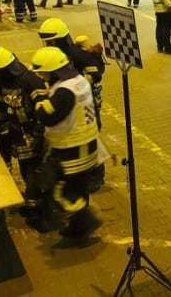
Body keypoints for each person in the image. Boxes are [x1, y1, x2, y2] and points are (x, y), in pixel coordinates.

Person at [32, 46, 103, 240]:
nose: (42, 76)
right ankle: (78, 229)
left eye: (43, 72)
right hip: (86, 144)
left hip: (72, 148)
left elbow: (46, 116)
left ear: (53, 71)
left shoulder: (64, 92)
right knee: (78, 187)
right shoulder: (78, 81)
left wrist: (38, 99)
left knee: (62, 190)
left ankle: (85, 221)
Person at [0, 46, 49, 227]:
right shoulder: (0, 85)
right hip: (16, 134)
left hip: (34, 134)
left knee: (35, 174)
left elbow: (44, 112)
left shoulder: (31, 82)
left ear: (4, 69)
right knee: (26, 171)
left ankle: (41, 212)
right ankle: (34, 204)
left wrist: (40, 137)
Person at [38, 18, 107, 192]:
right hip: (71, 104)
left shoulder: (75, 53)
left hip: (83, 102)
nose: (47, 44)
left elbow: (96, 73)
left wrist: (78, 84)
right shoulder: (55, 55)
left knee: (91, 139)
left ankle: (97, 176)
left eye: (50, 40)